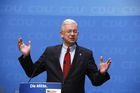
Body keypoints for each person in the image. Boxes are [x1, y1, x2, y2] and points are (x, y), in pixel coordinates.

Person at [18, 19, 112, 93]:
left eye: (75, 31)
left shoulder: (86, 54)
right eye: (69, 31)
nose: (72, 34)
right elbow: (31, 72)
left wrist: (102, 73)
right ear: (61, 34)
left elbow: (96, 81)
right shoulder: (50, 52)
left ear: (78, 34)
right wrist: (26, 56)